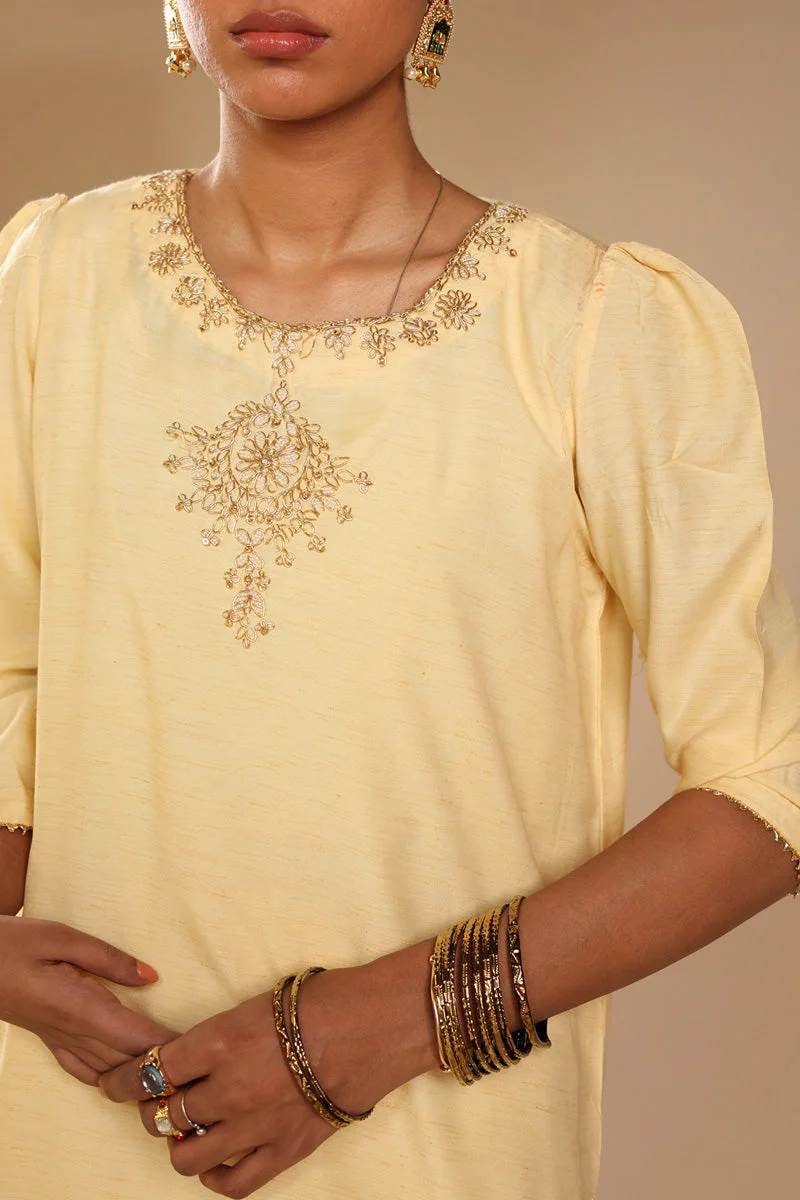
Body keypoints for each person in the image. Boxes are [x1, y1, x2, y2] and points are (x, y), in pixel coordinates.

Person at [1, 2, 799, 1198]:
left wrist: (375, 1028)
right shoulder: (51, 278)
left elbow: (770, 778)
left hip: (434, 1151)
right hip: (76, 1125)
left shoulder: (591, 324)